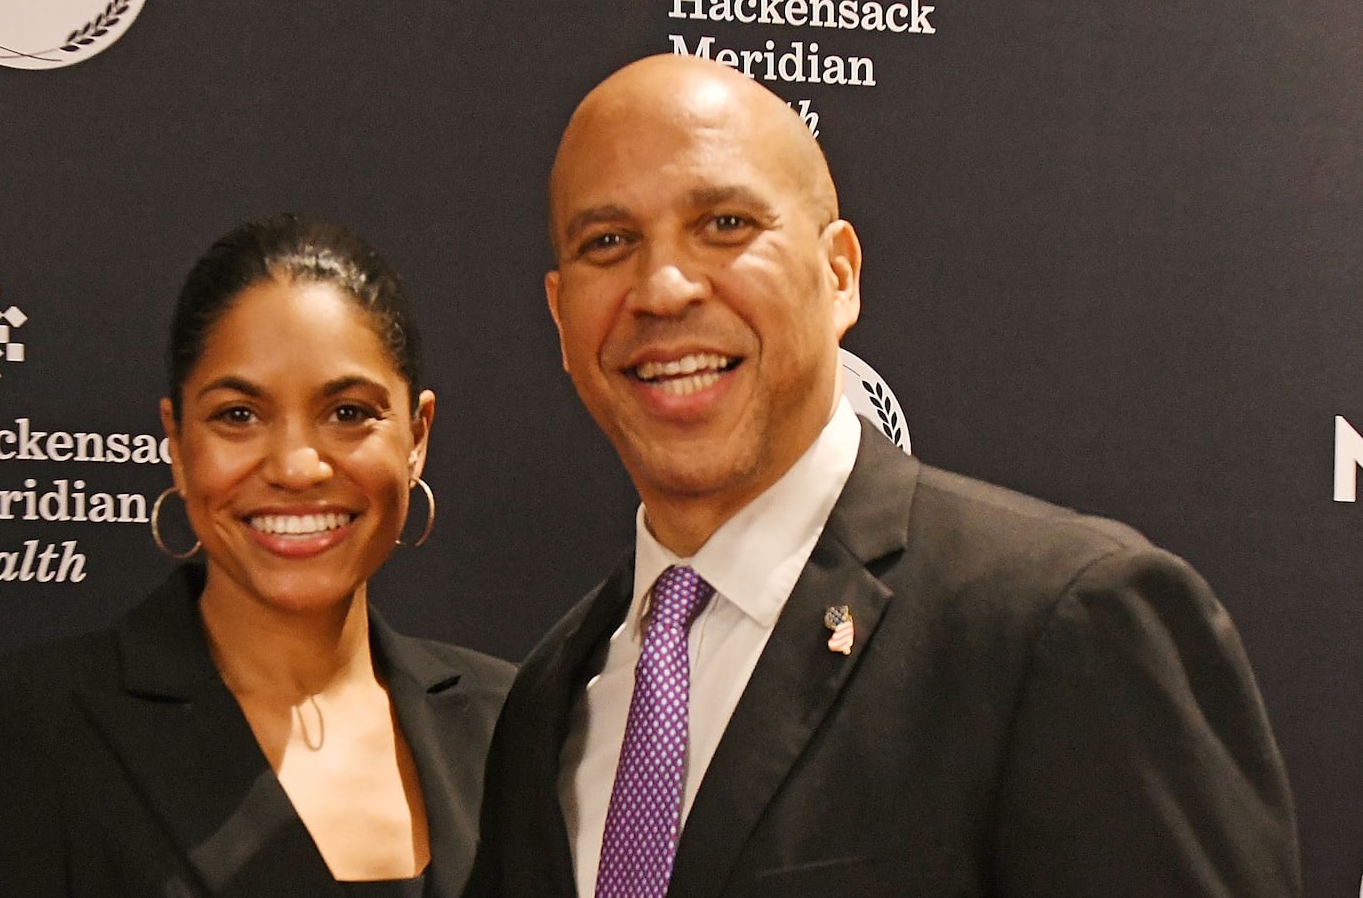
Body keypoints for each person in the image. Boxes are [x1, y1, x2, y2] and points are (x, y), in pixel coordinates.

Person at [471, 54, 1299, 897]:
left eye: (724, 224)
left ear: (838, 275)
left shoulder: (1062, 625)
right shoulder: (550, 700)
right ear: (560, 314)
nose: (664, 288)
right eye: (607, 242)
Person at [0, 214, 513, 897]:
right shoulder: (36, 731)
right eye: (239, 415)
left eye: (349, 412)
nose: (296, 466)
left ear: (416, 437)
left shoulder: (511, 724)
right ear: (176, 441)